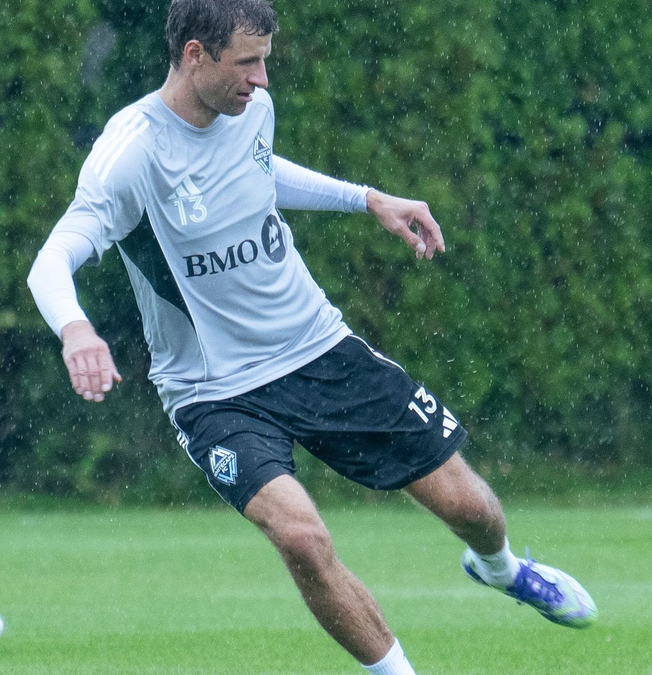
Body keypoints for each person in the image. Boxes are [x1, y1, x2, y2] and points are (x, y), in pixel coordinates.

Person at [26, 1, 597, 673]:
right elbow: (52, 258)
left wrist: (367, 198)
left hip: (315, 346)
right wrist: (76, 330)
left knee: (470, 506)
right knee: (302, 538)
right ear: (195, 56)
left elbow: (259, 171)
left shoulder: (251, 110)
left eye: (265, 61)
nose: (262, 79)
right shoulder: (131, 154)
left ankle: (500, 569)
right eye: (248, 62)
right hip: (213, 391)